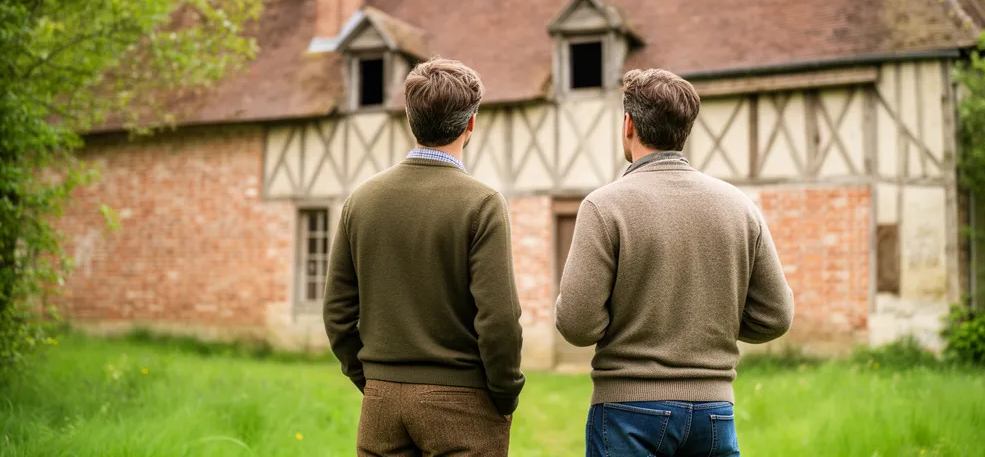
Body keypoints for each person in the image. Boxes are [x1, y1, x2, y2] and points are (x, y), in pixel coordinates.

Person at [556, 68, 794, 457]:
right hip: (715, 413)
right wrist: (713, 323)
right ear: (685, 130)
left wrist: (626, 321)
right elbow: (776, 315)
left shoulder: (604, 206)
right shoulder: (739, 207)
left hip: (626, 411)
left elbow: (578, 325)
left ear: (628, 124)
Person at [323, 57, 525, 457]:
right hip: (464, 402)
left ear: (409, 119)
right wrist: (504, 394)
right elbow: (498, 319)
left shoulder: (360, 201)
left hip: (381, 404)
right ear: (470, 125)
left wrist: (373, 380)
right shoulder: (482, 203)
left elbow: (336, 313)